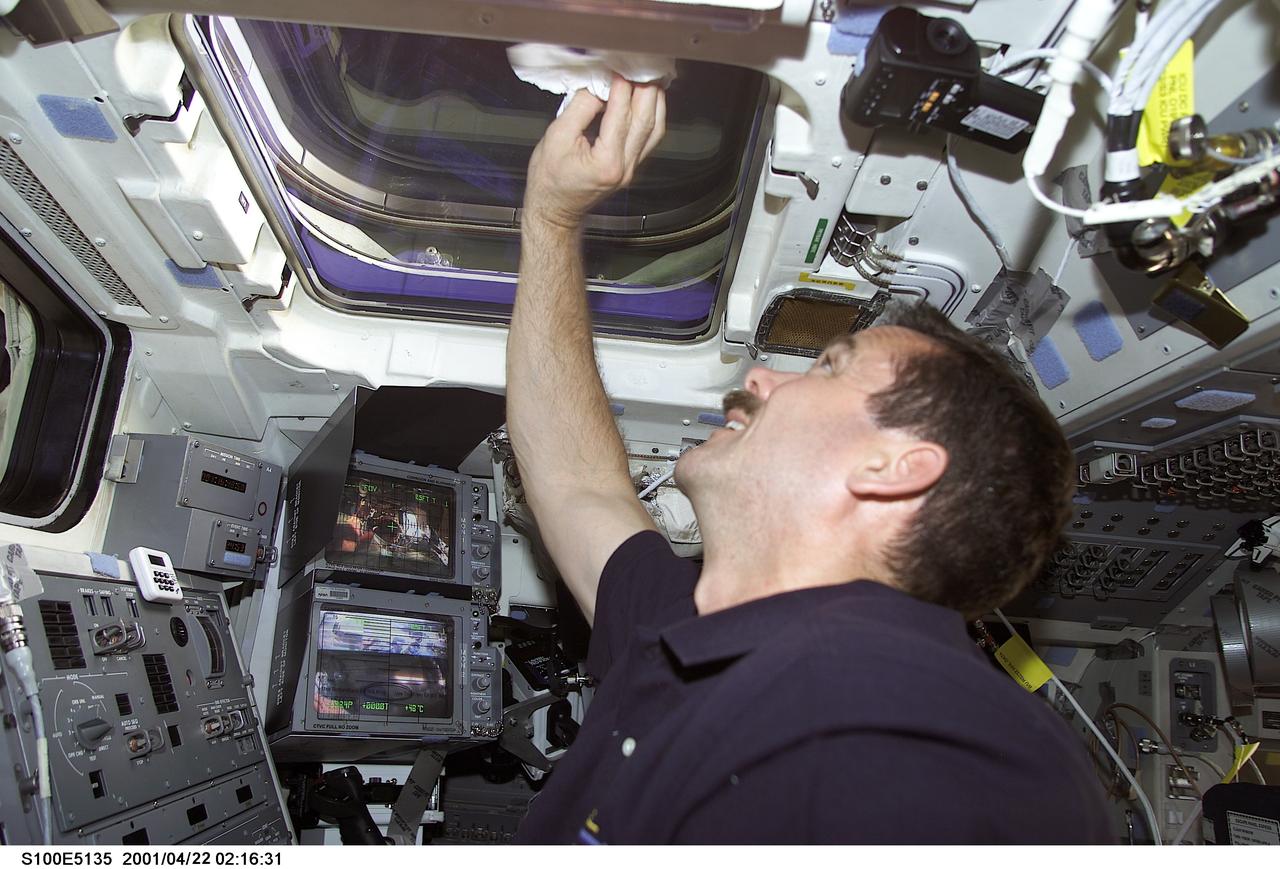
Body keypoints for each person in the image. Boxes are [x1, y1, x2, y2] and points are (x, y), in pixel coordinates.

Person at [505, 76, 1112, 844]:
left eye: (828, 367)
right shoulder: (690, 630)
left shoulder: (942, 741)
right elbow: (577, 480)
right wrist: (553, 216)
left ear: (894, 466)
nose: (760, 377)